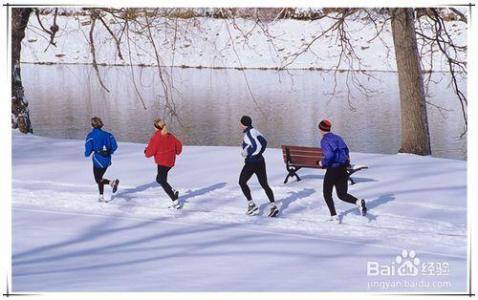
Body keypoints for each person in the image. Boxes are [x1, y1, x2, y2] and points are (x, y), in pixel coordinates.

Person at [318, 119, 367, 221]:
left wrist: (322, 162)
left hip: (333, 169)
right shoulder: (338, 138)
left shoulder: (324, 141)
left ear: (321, 129)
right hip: (343, 169)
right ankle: (358, 202)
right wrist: (346, 162)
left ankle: (334, 216)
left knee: (327, 194)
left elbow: (330, 155)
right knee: (342, 194)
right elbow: (346, 150)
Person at [239, 115, 279, 217]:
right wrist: (260, 153)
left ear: (243, 124)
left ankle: (251, 205)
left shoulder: (248, 134)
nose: (239, 125)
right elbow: (264, 143)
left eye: (240, 123)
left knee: (242, 182)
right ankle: (273, 206)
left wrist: (247, 153)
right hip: (260, 161)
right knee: (264, 184)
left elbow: (257, 146)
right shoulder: (255, 131)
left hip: (252, 162)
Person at [144, 119, 183, 209]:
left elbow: (149, 153)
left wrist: (146, 151)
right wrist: (176, 152)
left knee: (161, 180)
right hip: (170, 161)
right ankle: (173, 191)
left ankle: (175, 200)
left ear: (156, 127)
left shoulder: (156, 138)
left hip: (162, 162)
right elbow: (179, 145)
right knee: (159, 179)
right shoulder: (169, 135)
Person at [84, 117, 119, 202]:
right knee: (99, 178)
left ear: (92, 125)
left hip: (98, 161)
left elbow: (88, 152)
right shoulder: (108, 135)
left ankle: (108, 187)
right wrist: (109, 152)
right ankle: (104, 192)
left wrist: (87, 153)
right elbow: (115, 146)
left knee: (98, 179)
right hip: (107, 160)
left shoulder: (91, 136)